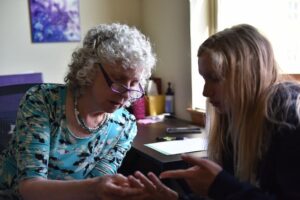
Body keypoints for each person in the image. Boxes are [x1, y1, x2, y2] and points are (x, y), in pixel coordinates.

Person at [0, 23, 159, 200]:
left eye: (134, 84)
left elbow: (99, 186)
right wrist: (95, 189)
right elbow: (29, 188)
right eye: (118, 80)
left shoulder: (125, 126)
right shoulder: (42, 101)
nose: (126, 94)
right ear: (89, 69)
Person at [160, 24, 300, 199]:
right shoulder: (232, 120)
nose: (205, 92)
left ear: (247, 75)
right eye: (204, 78)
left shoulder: (290, 119)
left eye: (214, 78)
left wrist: (220, 186)